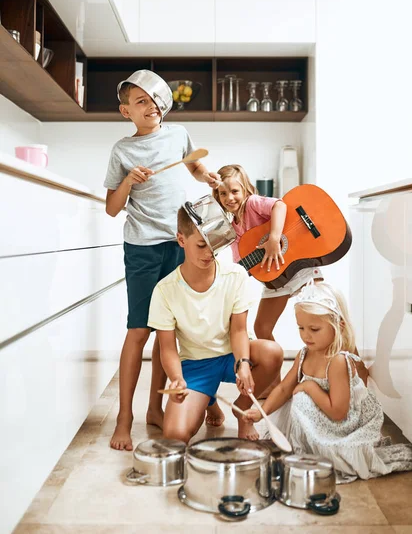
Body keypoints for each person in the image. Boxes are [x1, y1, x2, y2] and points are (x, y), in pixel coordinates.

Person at [103, 69, 223, 450]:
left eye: (154, 99)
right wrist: (128, 183)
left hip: (180, 242)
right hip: (142, 247)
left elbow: (194, 165)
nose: (150, 105)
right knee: (139, 331)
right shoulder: (122, 151)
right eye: (140, 101)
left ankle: (156, 408)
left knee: (171, 332)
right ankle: (125, 418)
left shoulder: (178, 135)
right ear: (126, 112)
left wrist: (208, 177)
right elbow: (111, 209)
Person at [245, 279, 412, 483]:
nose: (306, 336)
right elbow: (283, 389)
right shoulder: (304, 354)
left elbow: (338, 412)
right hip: (320, 417)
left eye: (314, 329)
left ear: (338, 325)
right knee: (295, 398)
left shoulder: (337, 362)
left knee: (300, 398)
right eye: (301, 328)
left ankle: (323, 450)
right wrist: (261, 411)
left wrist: (308, 387)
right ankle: (308, 447)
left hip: (341, 424)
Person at [147, 206, 283, 444]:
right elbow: (167, 348)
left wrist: (243, 364)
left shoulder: (235, 276)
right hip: (195, 364)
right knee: (176, 435)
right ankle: (209, 399)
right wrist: (177, 378)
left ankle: (241, 411)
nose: (209, 252)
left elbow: (239, 330)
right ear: (181, 240)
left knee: (272, 353)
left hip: (231, 354)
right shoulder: (164, 290)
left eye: (214, 244)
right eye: (201, 245)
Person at [213, 164, 324, 396]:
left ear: (245, 189)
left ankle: (334, 373)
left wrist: (274, 239)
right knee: (262, 327)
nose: (229, 198)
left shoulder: (253, 204)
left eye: (234, 191)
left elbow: (280, 205)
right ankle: (276, 385)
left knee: (322, 321)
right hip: (275, 280)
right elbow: (243, 266)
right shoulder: (232, 228)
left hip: (297, 269)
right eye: (223, 193)